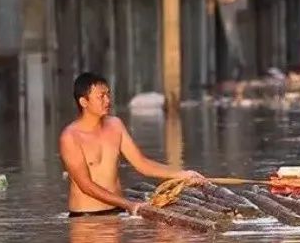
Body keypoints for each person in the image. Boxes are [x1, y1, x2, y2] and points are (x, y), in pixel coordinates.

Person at [60, 72, 203, 217]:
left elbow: (142, 164)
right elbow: (86, 186)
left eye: (108, 94)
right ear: (84, 102)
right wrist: (129, 205)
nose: (108, 100)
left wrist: (182, 174)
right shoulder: (70, 136)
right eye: (101, 97)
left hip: (117, 211)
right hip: (86, 217)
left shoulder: (115, 125)